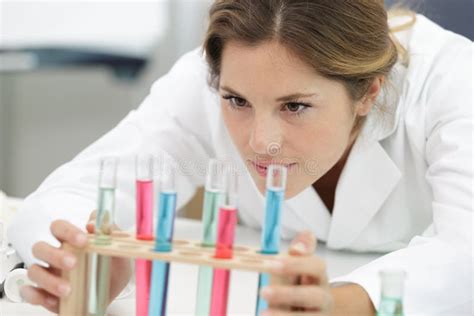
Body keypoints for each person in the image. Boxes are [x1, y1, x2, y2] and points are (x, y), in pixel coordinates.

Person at [8, 0, 473, 315]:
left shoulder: (452, 81)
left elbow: (466, 252)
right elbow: (65, 194)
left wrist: (344, 302)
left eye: (295, 106)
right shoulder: (209, 81)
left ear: (369, 92)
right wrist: (79, 254)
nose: (260, 142)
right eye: (237, 102)